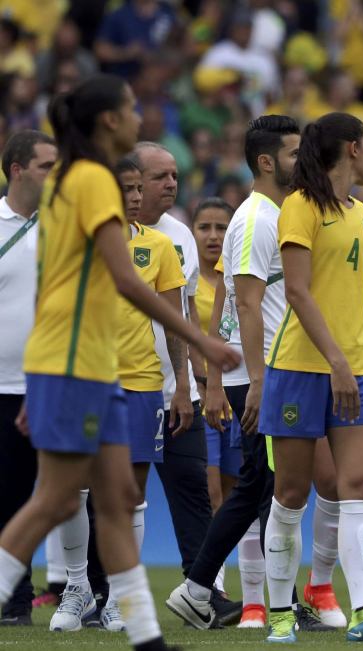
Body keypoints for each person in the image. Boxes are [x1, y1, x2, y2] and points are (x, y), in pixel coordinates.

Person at [0, 73, 239, 651]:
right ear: (109, 120)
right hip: (74, 363)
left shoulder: (73, 185)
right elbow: (128, 280)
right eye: (132, 108)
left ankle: (145, 637)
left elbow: (52, 286)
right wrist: (204, 344)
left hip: (83, 363)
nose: (139, 116)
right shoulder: (91, 183)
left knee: (116, 500)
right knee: (57, 499)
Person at [168, 115, 342, 633]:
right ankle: (276, 605)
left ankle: (197, 589)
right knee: (271, 487)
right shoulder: (254, 219)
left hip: (271, 371)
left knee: (259, 486)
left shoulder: (279, 213)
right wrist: (257, 382)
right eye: (293, 152)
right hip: (264, 374)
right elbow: (243, 305)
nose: (302, 160)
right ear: (267, 162)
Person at [256, 112, 363, 643]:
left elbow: (358, 293)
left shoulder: (362, 213)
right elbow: (299, 293)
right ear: (352, 149)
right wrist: (338, 363)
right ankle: (280, 611)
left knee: (359, 487)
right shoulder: (299, 207)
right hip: (302, 368)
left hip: (358, 369)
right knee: (292, 493)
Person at [52, 154, 185, 633]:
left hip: (141, 383)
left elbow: (174, 323)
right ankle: (76, 586)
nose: (132, 197)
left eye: (135, 189)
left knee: (129, 493)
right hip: (85, 380)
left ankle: (116, 596)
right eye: (123, 189)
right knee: (74, 489)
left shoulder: (161, 247)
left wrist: (183, 385)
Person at [129, 143, 240, 623]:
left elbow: (184, 315)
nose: (171, 184)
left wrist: (189, 382)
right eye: (160, 177)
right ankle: (99, 594)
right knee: (114, 495)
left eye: (174, 175)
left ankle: (203, 591)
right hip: (121, 385)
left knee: (195, 491)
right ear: (132, 181)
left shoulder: (180, 238)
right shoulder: (104, 234)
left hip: (177, 390)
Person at [0, 130, 56, 627]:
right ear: (17, 170)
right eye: (45, 166)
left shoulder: (60, 229)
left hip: (37, 385)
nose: (53, 176)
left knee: (23, 496)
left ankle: (15, 604)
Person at [191, 198, 242, 514]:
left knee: (233, 494)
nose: (213, 236)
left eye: (221, 228)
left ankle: (231, 564)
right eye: (204, 228)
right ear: (191, 232)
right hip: (202, 396)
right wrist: (203, 383)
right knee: (209, 492)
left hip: (237, 396)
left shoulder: (242, 280)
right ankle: (213, 567)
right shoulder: (184, 280)